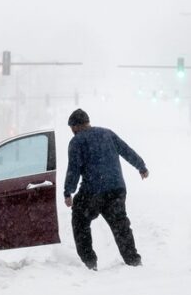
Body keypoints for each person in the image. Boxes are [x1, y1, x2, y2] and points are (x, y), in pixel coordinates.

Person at [63, 108, 148, 270]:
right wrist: (141, 166)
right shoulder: (107, 134)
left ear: (76, 126)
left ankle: (89, 262)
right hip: (116, 189)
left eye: (72, 128)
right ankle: (133, 261)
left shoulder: (77, 141)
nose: (72, 131)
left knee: (80, 221)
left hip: (93, 192)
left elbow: (73, 169)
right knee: (121, 225)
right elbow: (126, 150)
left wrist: (68, 192)